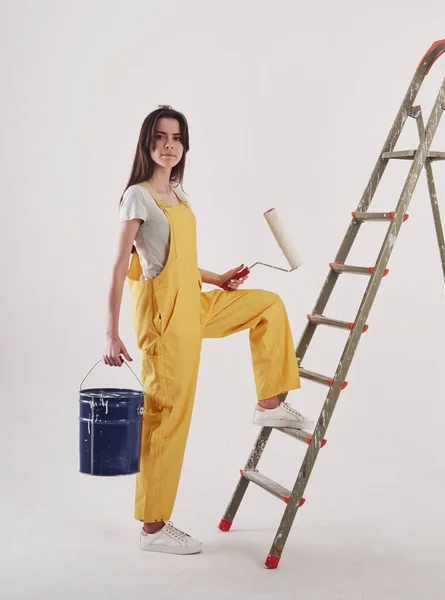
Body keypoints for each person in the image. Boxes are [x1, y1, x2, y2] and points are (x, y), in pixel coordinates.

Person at [103, 105, 313, 555]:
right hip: (164, 320)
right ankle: (154, 528)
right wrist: (110, 332)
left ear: (184, 146)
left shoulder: (179, 195)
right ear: (147, 143)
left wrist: (218, 279)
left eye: (176, 137)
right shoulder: (137, 196)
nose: (168, 145)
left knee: (267, 305)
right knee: (167, 418)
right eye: (160, 137)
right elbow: (123, 264)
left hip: (194, 304)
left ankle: (269, 402)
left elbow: (174, 261)